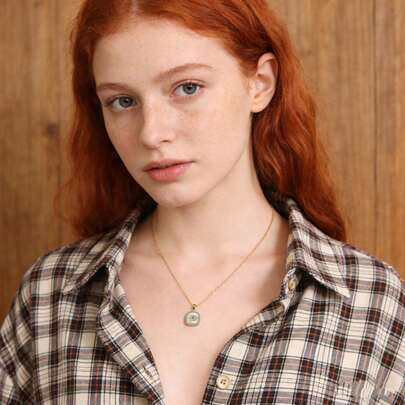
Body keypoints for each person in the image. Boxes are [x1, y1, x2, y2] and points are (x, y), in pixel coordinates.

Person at [1, 0, 404, 403]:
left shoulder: (371, 300)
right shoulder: (51, 294)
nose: (151, 133)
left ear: (260, 83)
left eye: (187, 88)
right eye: (122, 101)